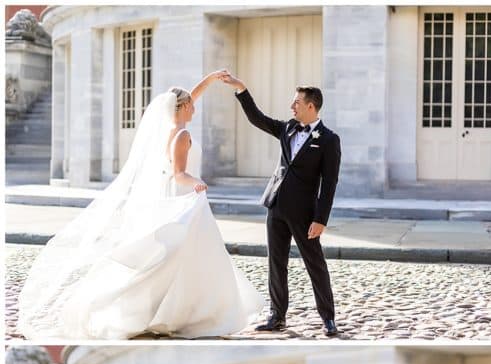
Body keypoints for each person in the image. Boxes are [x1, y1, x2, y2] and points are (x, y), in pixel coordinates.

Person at [17, 72, 262, 340]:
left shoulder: (170, 129)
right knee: (181, 257)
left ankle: (181, 310)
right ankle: (184, 311)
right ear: (181, 107)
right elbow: (179, 173)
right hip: (185, 199)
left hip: (179, 197)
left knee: (182, 257)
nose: (196, 106)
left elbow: (188, 99)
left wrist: (212, 79)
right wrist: (197, 182)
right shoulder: (182, 135)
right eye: (191, 104)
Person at [222, 73, 342, 338]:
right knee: (276, 262)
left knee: (315, 264)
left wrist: (321, 219)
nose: (292, 106)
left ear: (311, 106)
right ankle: (277, 316)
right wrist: (242, 89)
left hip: (305, 214)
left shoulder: (329, 140)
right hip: (276, 206)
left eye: (297, 102)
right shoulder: (288, 128)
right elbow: (258, 119)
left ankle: (328, 318)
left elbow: (330, 183)